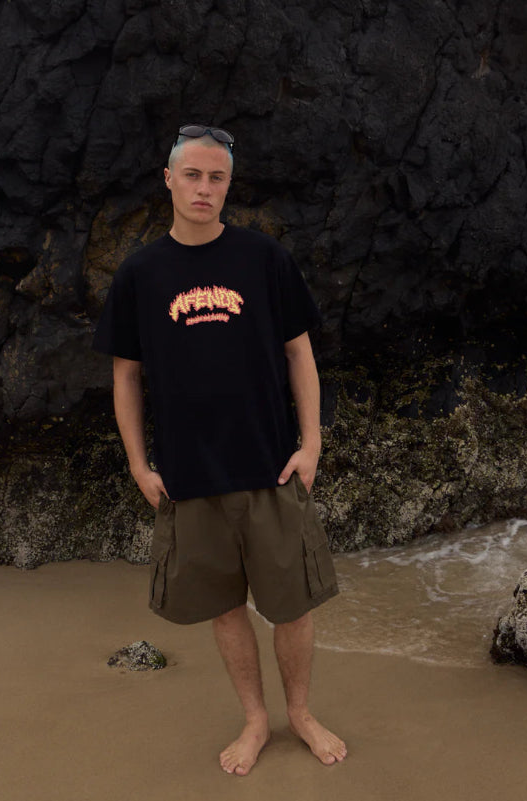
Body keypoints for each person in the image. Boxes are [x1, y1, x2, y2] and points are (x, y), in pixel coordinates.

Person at [92, 123, 346, 775]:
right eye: (194, 175)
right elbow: (124, 373)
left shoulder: (264, 259)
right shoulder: (141, 274)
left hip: (270, 464)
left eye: (217, 178)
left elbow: (299, 352)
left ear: (229, 186)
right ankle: (256, 719)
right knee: (225, 605)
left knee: (291, 603)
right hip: (189, 476)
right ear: (169, 180)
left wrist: (312, 442)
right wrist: (137, 463)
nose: (205, 188)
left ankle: (302, 713)